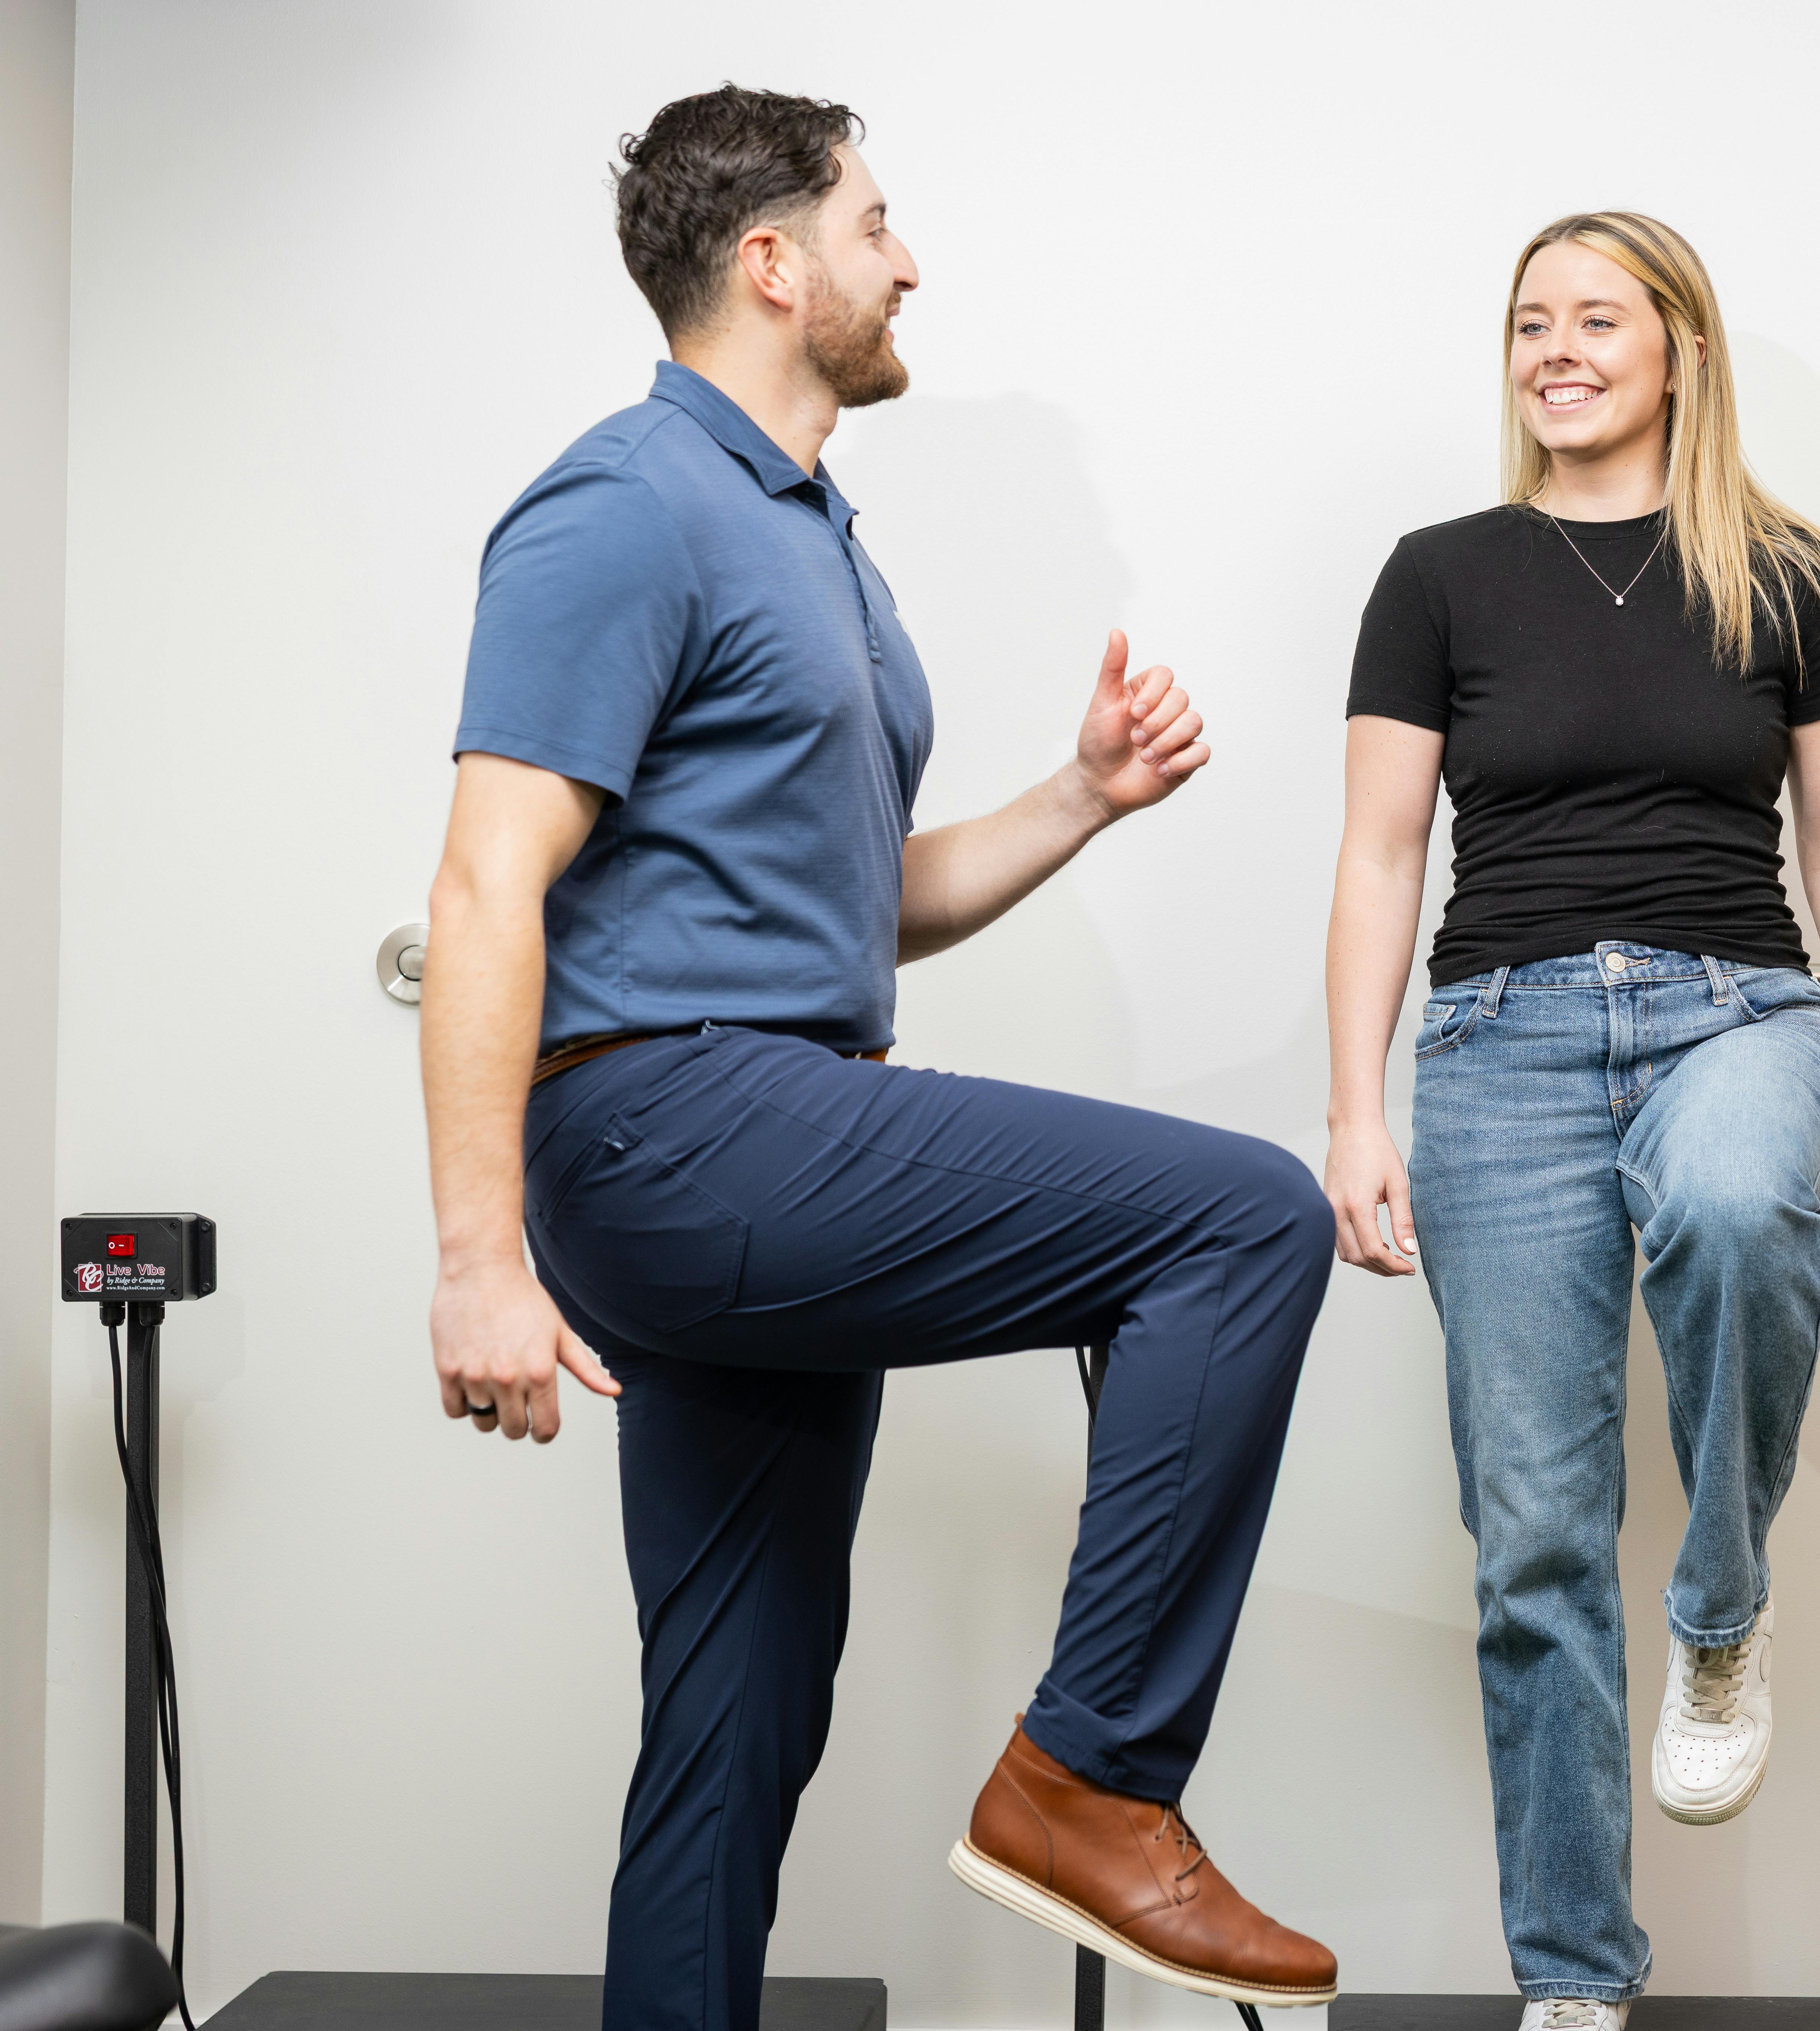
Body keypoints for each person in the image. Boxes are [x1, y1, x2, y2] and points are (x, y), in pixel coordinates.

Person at [421, 87, 1337, 2031]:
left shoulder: (811, 535)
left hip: (755, 1119)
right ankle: (1095, 1775)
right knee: (1245, 1222)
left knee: (738, 1721)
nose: (906, 258)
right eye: (875, 222)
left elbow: (860, 904)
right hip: (679, 1123)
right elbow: (492, 875)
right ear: (773, 264)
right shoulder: (626, 503)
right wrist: (477, 1253)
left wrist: (1081, 797)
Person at [1322, 211, 1820, 2027]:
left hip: (1733, 1006)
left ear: (1679, 349)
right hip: (1497, 1041)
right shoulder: (1436, 576)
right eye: (1529, 322)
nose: (1556, 349)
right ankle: (1575, 1980)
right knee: (1531, 1536)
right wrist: (1355, 1109)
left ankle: (1722, 1612)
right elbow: (1374, 856)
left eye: (1597, 318)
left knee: (1746, 1210)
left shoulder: (1783, 573)